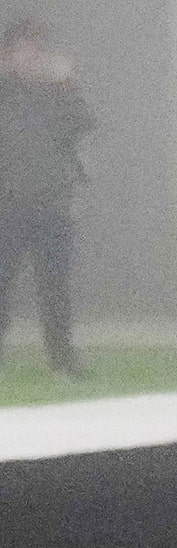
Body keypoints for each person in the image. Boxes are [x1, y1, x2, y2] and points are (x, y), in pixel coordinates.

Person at [0, 20, 93, 376]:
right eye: (24, 49)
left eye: (38, 49)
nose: (32, 57)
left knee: (55, 289)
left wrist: (66, 82)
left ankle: (62, 359)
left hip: (52, 206)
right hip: (6, 206)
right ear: (9, 54)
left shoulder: (56, 91)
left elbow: (85, 121)